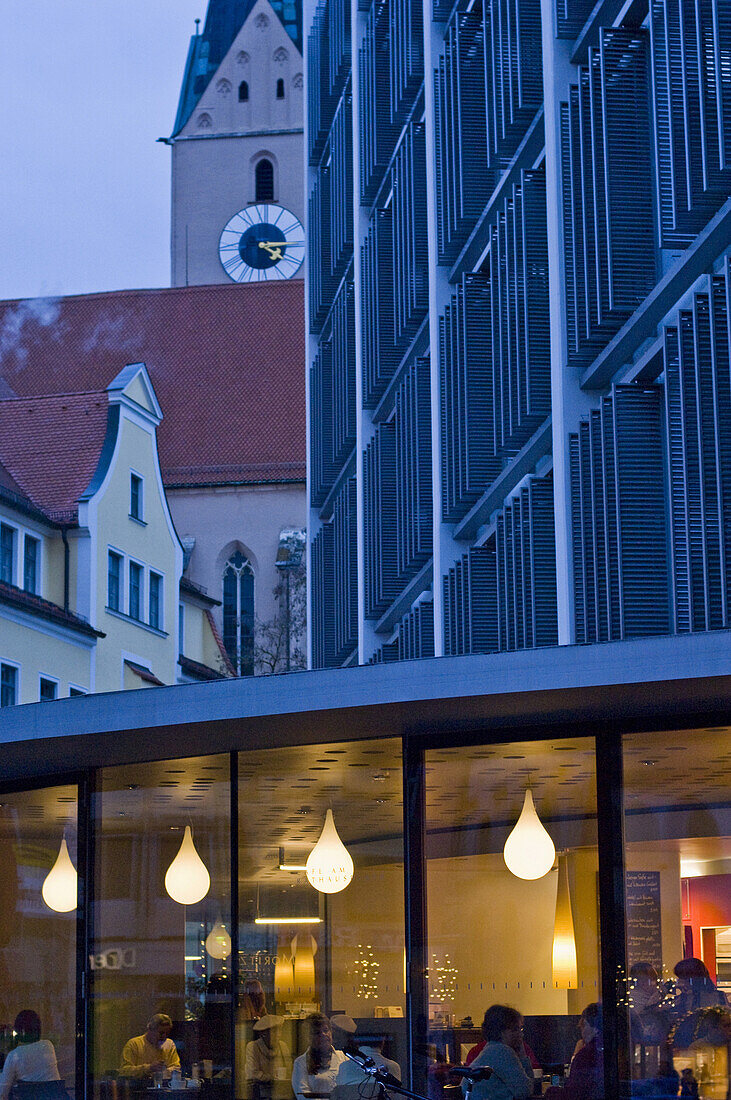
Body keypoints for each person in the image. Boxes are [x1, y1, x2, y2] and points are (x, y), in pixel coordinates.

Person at [462, 1005, 533, 1100]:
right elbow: (525, 1091)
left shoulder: (491, 1049)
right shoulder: (502, 1052)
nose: (521, 1034)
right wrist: (523, 1055)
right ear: (502, 1031)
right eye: (515, 1029)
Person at [544, 1004, 603, 1100]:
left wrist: (551, 1091)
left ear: (596, 1028)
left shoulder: (586, 1055)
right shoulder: (612, 1049)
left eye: (583, 1025)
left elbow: (574, 1094)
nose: (581, 1030)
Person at [0, 1011, 61, 1100]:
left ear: (19, 1031)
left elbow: (2, 1093)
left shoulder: (14, 1056)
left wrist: (11, 1044)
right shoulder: (48, 1046)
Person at [291, 1014, 347, 1100]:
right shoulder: (300, 1062)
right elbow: (303, 1096)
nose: (323, 1034)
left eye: (326, 1030)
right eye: (317, 1032)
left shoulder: (344, 1058)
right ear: (308, 1037)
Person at [120, 1013, 180, 1079]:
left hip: (163, 1086)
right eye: (161, 1033)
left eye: (167, 1033)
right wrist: (149, 1068)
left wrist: (164, 1072)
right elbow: (124, 1071)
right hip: (139, 1086)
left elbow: (176, 1068)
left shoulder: (169, 1044)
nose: (164, 1036)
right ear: (150, 1029)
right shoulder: (134, 1044)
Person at [245, 1016, 292, 1100]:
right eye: (274, 1031)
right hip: (260, 1094)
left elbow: (290, 1069)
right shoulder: (253, 1047)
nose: (278, 1035)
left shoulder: (283, 1046)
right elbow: (253, 1073)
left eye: (279, 1030)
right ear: (263, 1033)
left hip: (282, 1093)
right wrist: (271, 1078)